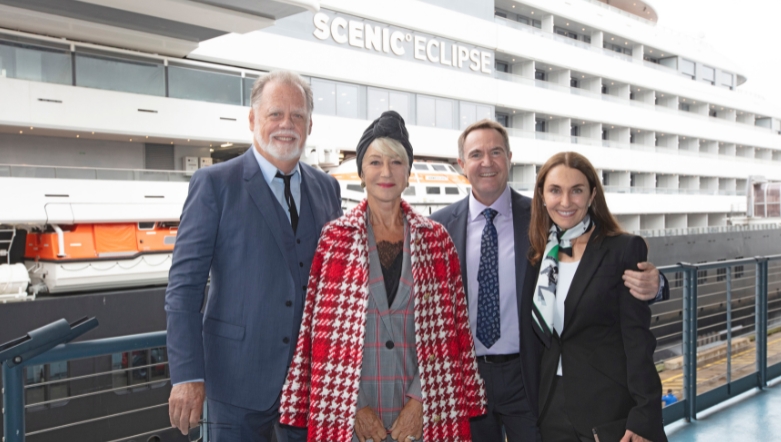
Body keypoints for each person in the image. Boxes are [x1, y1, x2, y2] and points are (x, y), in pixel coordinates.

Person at [430, 120, 668, 442]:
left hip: (528, 377)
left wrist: (658, 285)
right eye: (476, 154)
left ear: (509, 158)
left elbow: (608, 266)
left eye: (496, 152)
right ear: (462, 164)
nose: (487, 162)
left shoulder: (541, 220)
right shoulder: (438, 228)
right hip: (467, 377)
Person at [279, 111, 486, 442]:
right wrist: (356, 408)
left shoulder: (437, 240)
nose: (385, 172)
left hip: (424, 414)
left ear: (408, 173)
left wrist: (420, 402)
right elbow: (323, 340)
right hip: (352, 415)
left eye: (396, 162)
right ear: (361, 172)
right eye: (375, 162)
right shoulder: (334, 240)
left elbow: (452, 332)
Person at [165, 70, 343, 441]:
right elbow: (184, 289)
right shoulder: (215, 184)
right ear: (252, 119)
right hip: (235, 383)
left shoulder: (327, 188)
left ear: (309, 125)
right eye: (275, 114)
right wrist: (187, 375)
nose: (286, 125)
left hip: (310, 386)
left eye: (297, 116)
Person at [529, 152, 667, 442]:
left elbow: (638, 340)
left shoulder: (623, 249)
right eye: (555, 190)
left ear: (592, 195)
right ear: (542, 196)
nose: (565, 202)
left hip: (608, 410)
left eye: (576, 190)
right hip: (550, 409)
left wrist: (645, 415)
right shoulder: (538, 255)